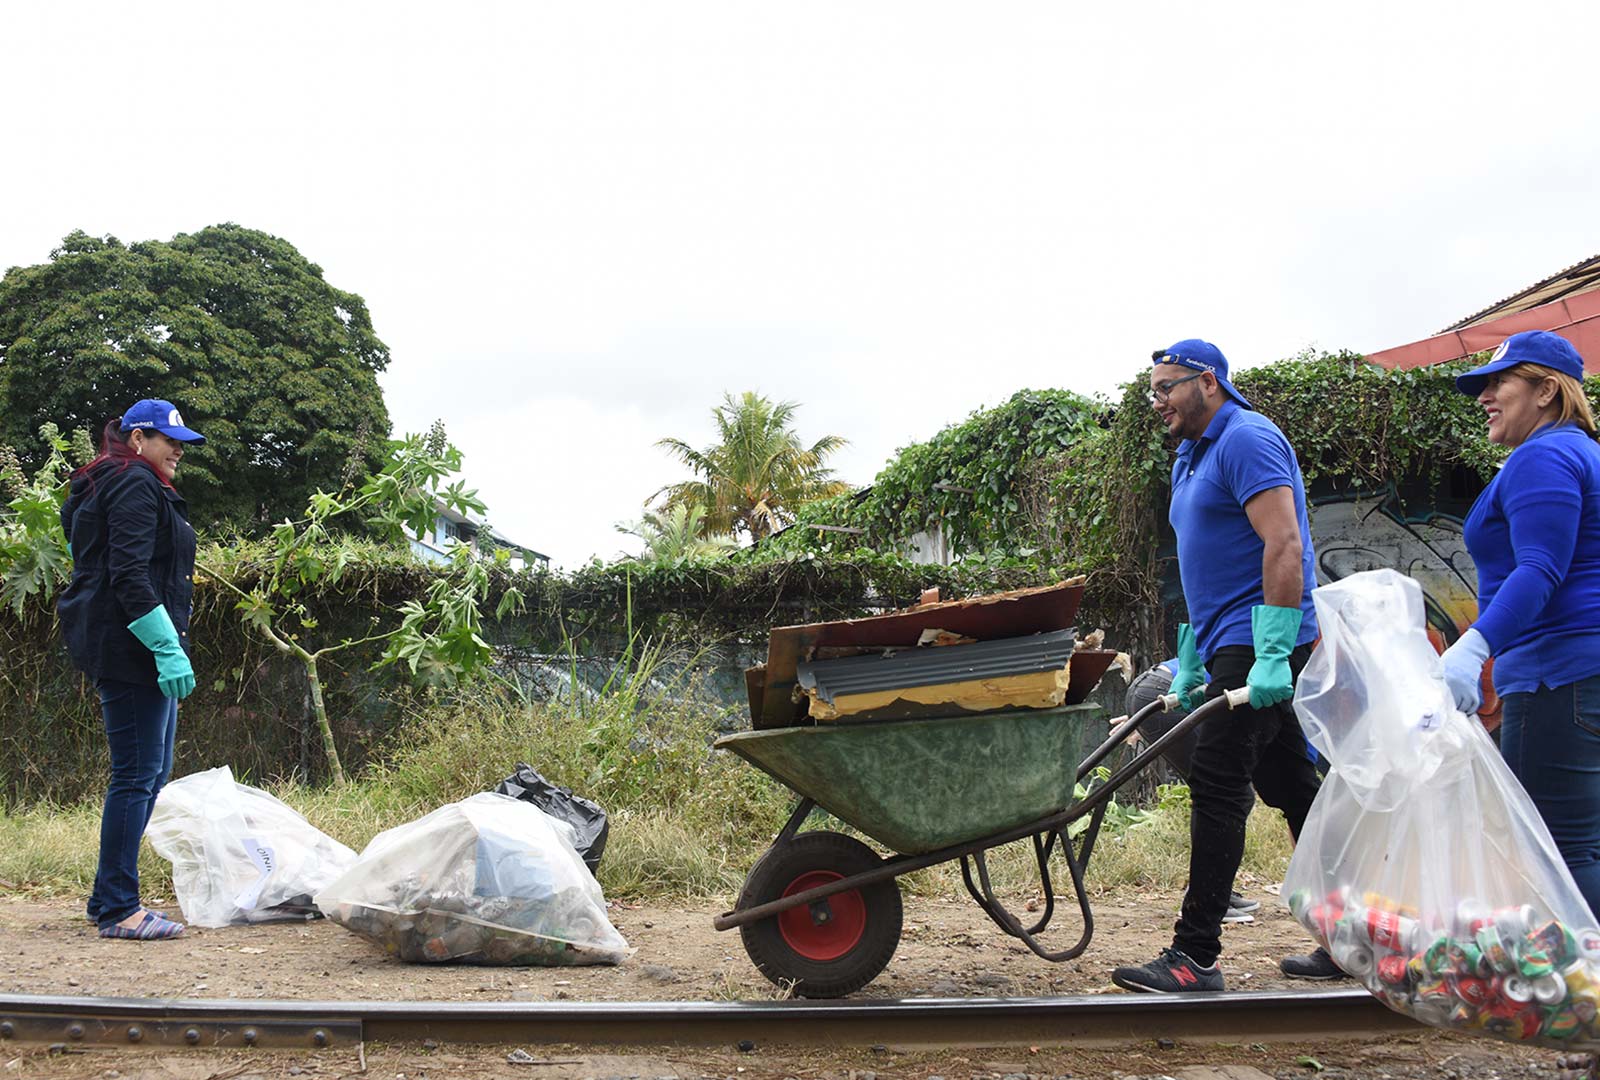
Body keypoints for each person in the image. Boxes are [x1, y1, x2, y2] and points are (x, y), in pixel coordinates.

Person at [1111, 339, 1339, 993]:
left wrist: (1273, 650)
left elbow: (1285, 542)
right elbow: (1199, 566)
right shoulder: (1189, 457)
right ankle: (1354, 934)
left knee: (1217, 779)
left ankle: (1194, 955)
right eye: (1151, 391)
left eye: (1165, 388)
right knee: (1294, 788)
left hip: (1263, 635)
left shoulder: (1248, 439)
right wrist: (1188, 654)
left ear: (1207, 381)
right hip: (1228, 640)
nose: (1156, 402)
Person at [1440, 330, 1600, 918]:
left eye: (1499, 381)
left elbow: (1539, 568)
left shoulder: (1545, 455)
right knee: (1582, 844)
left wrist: (1473, 645)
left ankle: (1581, 996)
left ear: (1547, 390)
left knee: (1559, 854)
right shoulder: (1580, 451)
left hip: (1556, 674)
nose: (1484, 395)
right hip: (1581, 674)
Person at [57, 399, 206, 941]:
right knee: (136, 775)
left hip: (128, 642)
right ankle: (120, 907)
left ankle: (107, 899)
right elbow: (127, 574)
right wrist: (165, 646)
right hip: (131, 647)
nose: (178, 453)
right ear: (138, 438)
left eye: (182, 445)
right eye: (171, 442)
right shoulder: (133, 481)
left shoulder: (114, 480)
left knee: (148, 772)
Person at [1125, 660, 1258, 924]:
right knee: (1228, 795)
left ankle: (1215, 890)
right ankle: (1206, 895)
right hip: (1168, 690)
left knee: (1220, 794)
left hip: (1153, 686)